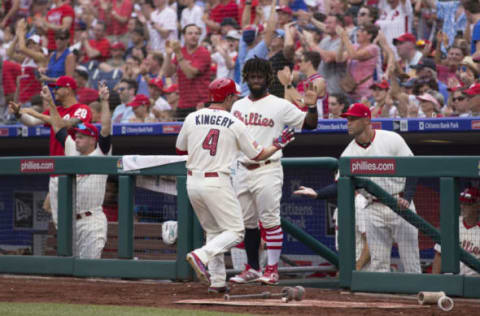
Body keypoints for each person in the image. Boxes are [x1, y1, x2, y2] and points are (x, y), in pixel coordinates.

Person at [176, 77, 295, 293]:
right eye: (234, 96)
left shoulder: (192, 117)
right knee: (236, 231)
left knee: (213, 230)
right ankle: (201, 255)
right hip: (216, 181)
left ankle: (218, 281)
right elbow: (258, 155)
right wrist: (278, 144)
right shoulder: (234, 122)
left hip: (192, 181)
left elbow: (180, 149)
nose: (236, 99)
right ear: (229, 97)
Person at [229, 57, 318, 285]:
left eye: (260, 76)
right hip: (242, 169)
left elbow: (309, 124)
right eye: (252, 76)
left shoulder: (279, 104)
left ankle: (272, 269)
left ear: (268, 79)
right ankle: (252, 268)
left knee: (270, 220)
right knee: (248, 224)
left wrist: (312, 106)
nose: (256, 80)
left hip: (267, 169)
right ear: (246, 78)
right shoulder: (237, 106)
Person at [19, 82, 112, 259]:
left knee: (89, 271)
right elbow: (58, 128)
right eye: (76, 136)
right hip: (69, 222)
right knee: (70, 274)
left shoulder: (102, 152)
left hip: (91, 220)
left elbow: (106, 128)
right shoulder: (72, 150)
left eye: (82, 137)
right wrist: (50, 102)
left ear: (93, 140)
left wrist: (105, 101)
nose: (76, 139)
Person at [333, 103, 421, 273]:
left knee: (411, 262)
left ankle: (416, 296)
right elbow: (340, 186)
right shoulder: (348, 153)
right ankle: (382, 299)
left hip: (399, 202)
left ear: (366, 120)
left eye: (353, 119)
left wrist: (408, 198)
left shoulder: (391, 138)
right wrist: (317, 193)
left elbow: (413, 169)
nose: (348, 123)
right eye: (347, 119)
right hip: (373, 206)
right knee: (378, 264)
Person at [163, 24, 211, 120]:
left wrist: (178, 54)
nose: (194, 36)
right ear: (184, 36)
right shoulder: (181, 51)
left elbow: (190, 74)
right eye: (190, 33)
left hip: (200, 104)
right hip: (183, 104)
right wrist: (168, 55)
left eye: (197, 33)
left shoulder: (203, 52)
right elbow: (168, 73)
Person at [432, 187, 480, 276]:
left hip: (474, 282)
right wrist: (434, 282)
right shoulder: (452, 225)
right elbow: (439, 255)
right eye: (462, 203)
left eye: (468, 204)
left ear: (478, 205)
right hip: (451, 279)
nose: (463, 206)